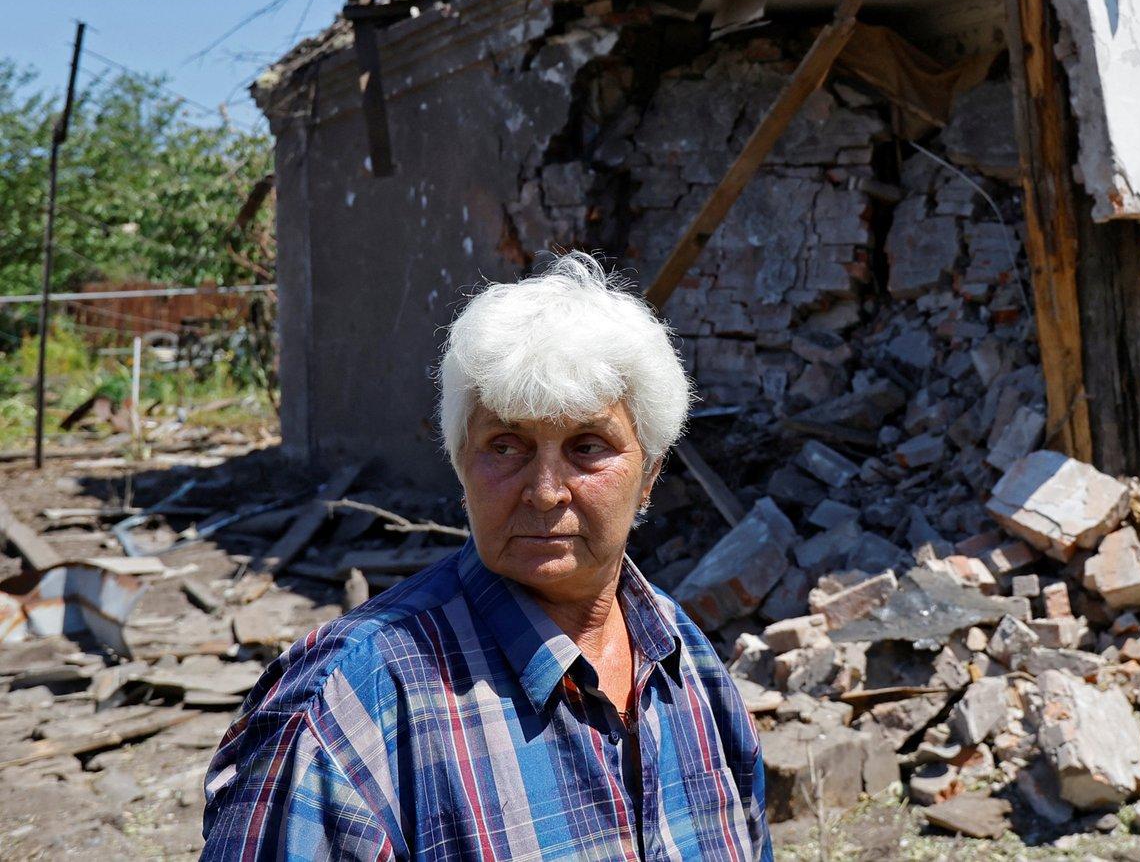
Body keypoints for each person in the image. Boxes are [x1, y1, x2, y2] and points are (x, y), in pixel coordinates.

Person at [202, 253, 768, 861]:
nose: (546, 490)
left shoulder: (688, 668)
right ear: (460, 462)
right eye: (505, 445)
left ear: (650, 475)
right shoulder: (354, 702)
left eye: (587, 446)